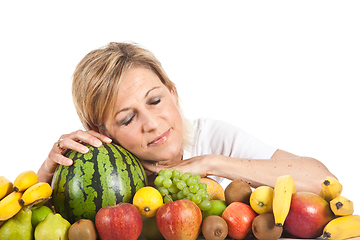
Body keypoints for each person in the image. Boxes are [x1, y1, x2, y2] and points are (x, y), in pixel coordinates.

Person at [37, 42, 335, 194]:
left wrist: (212, 163)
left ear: (173, 93)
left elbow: (323, 180)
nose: (152, 123)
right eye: (127, 119)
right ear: (100, 131)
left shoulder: (213, 136)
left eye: (155, 100)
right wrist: (45, 181)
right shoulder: (100, 177)